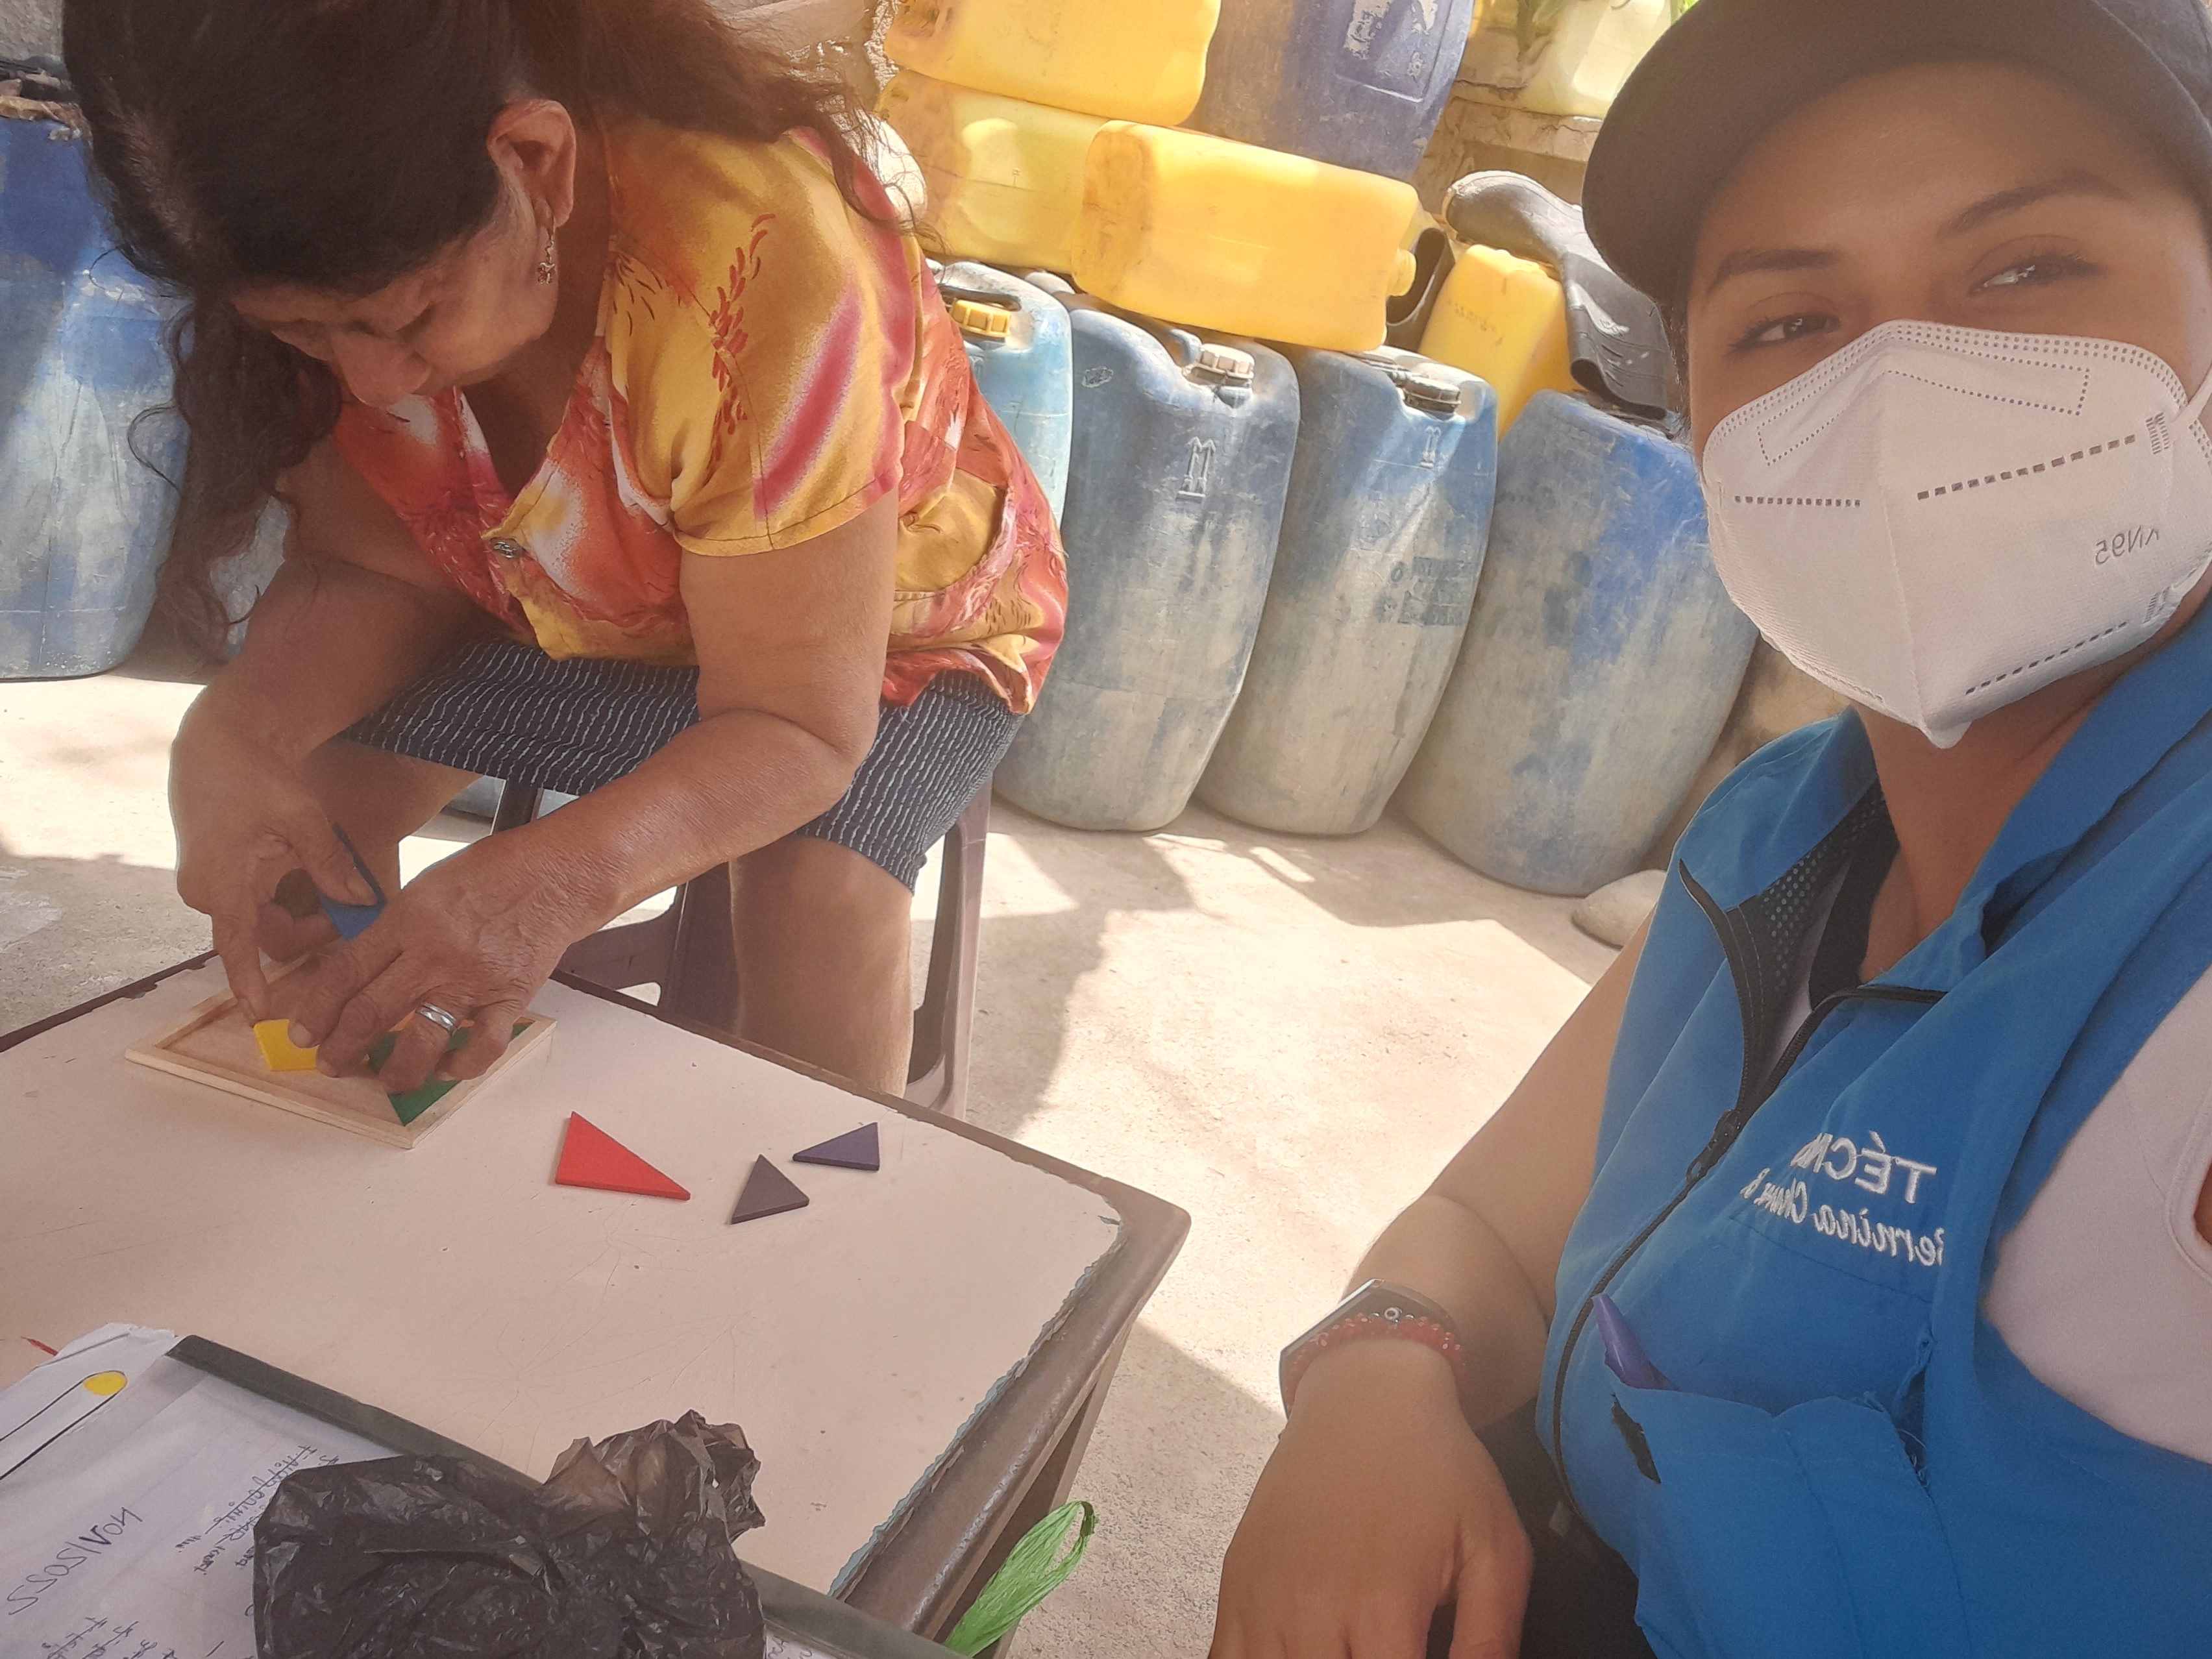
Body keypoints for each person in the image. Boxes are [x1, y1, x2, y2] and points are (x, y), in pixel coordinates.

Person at [1212, 1, 2212, 1654]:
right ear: (1702, 432)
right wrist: (1381, 1370)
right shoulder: (1788, 840)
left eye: (2027, 269)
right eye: (1792, 318)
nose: (1900, 388)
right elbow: (1483, 1232)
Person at [63, 0, 1064, 1097]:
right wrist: (235, 735)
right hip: (564, 599)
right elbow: (373, 567)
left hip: (885, 639)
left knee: (817, 888)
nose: (371, 381)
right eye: (304, 331)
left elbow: (796, 725)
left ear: (534, 163)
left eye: (410, 317)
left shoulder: (758, 264)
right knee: (302, 822)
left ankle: (834, 1186)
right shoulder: (331, 240)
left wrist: (554, 882)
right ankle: (365, 1126)